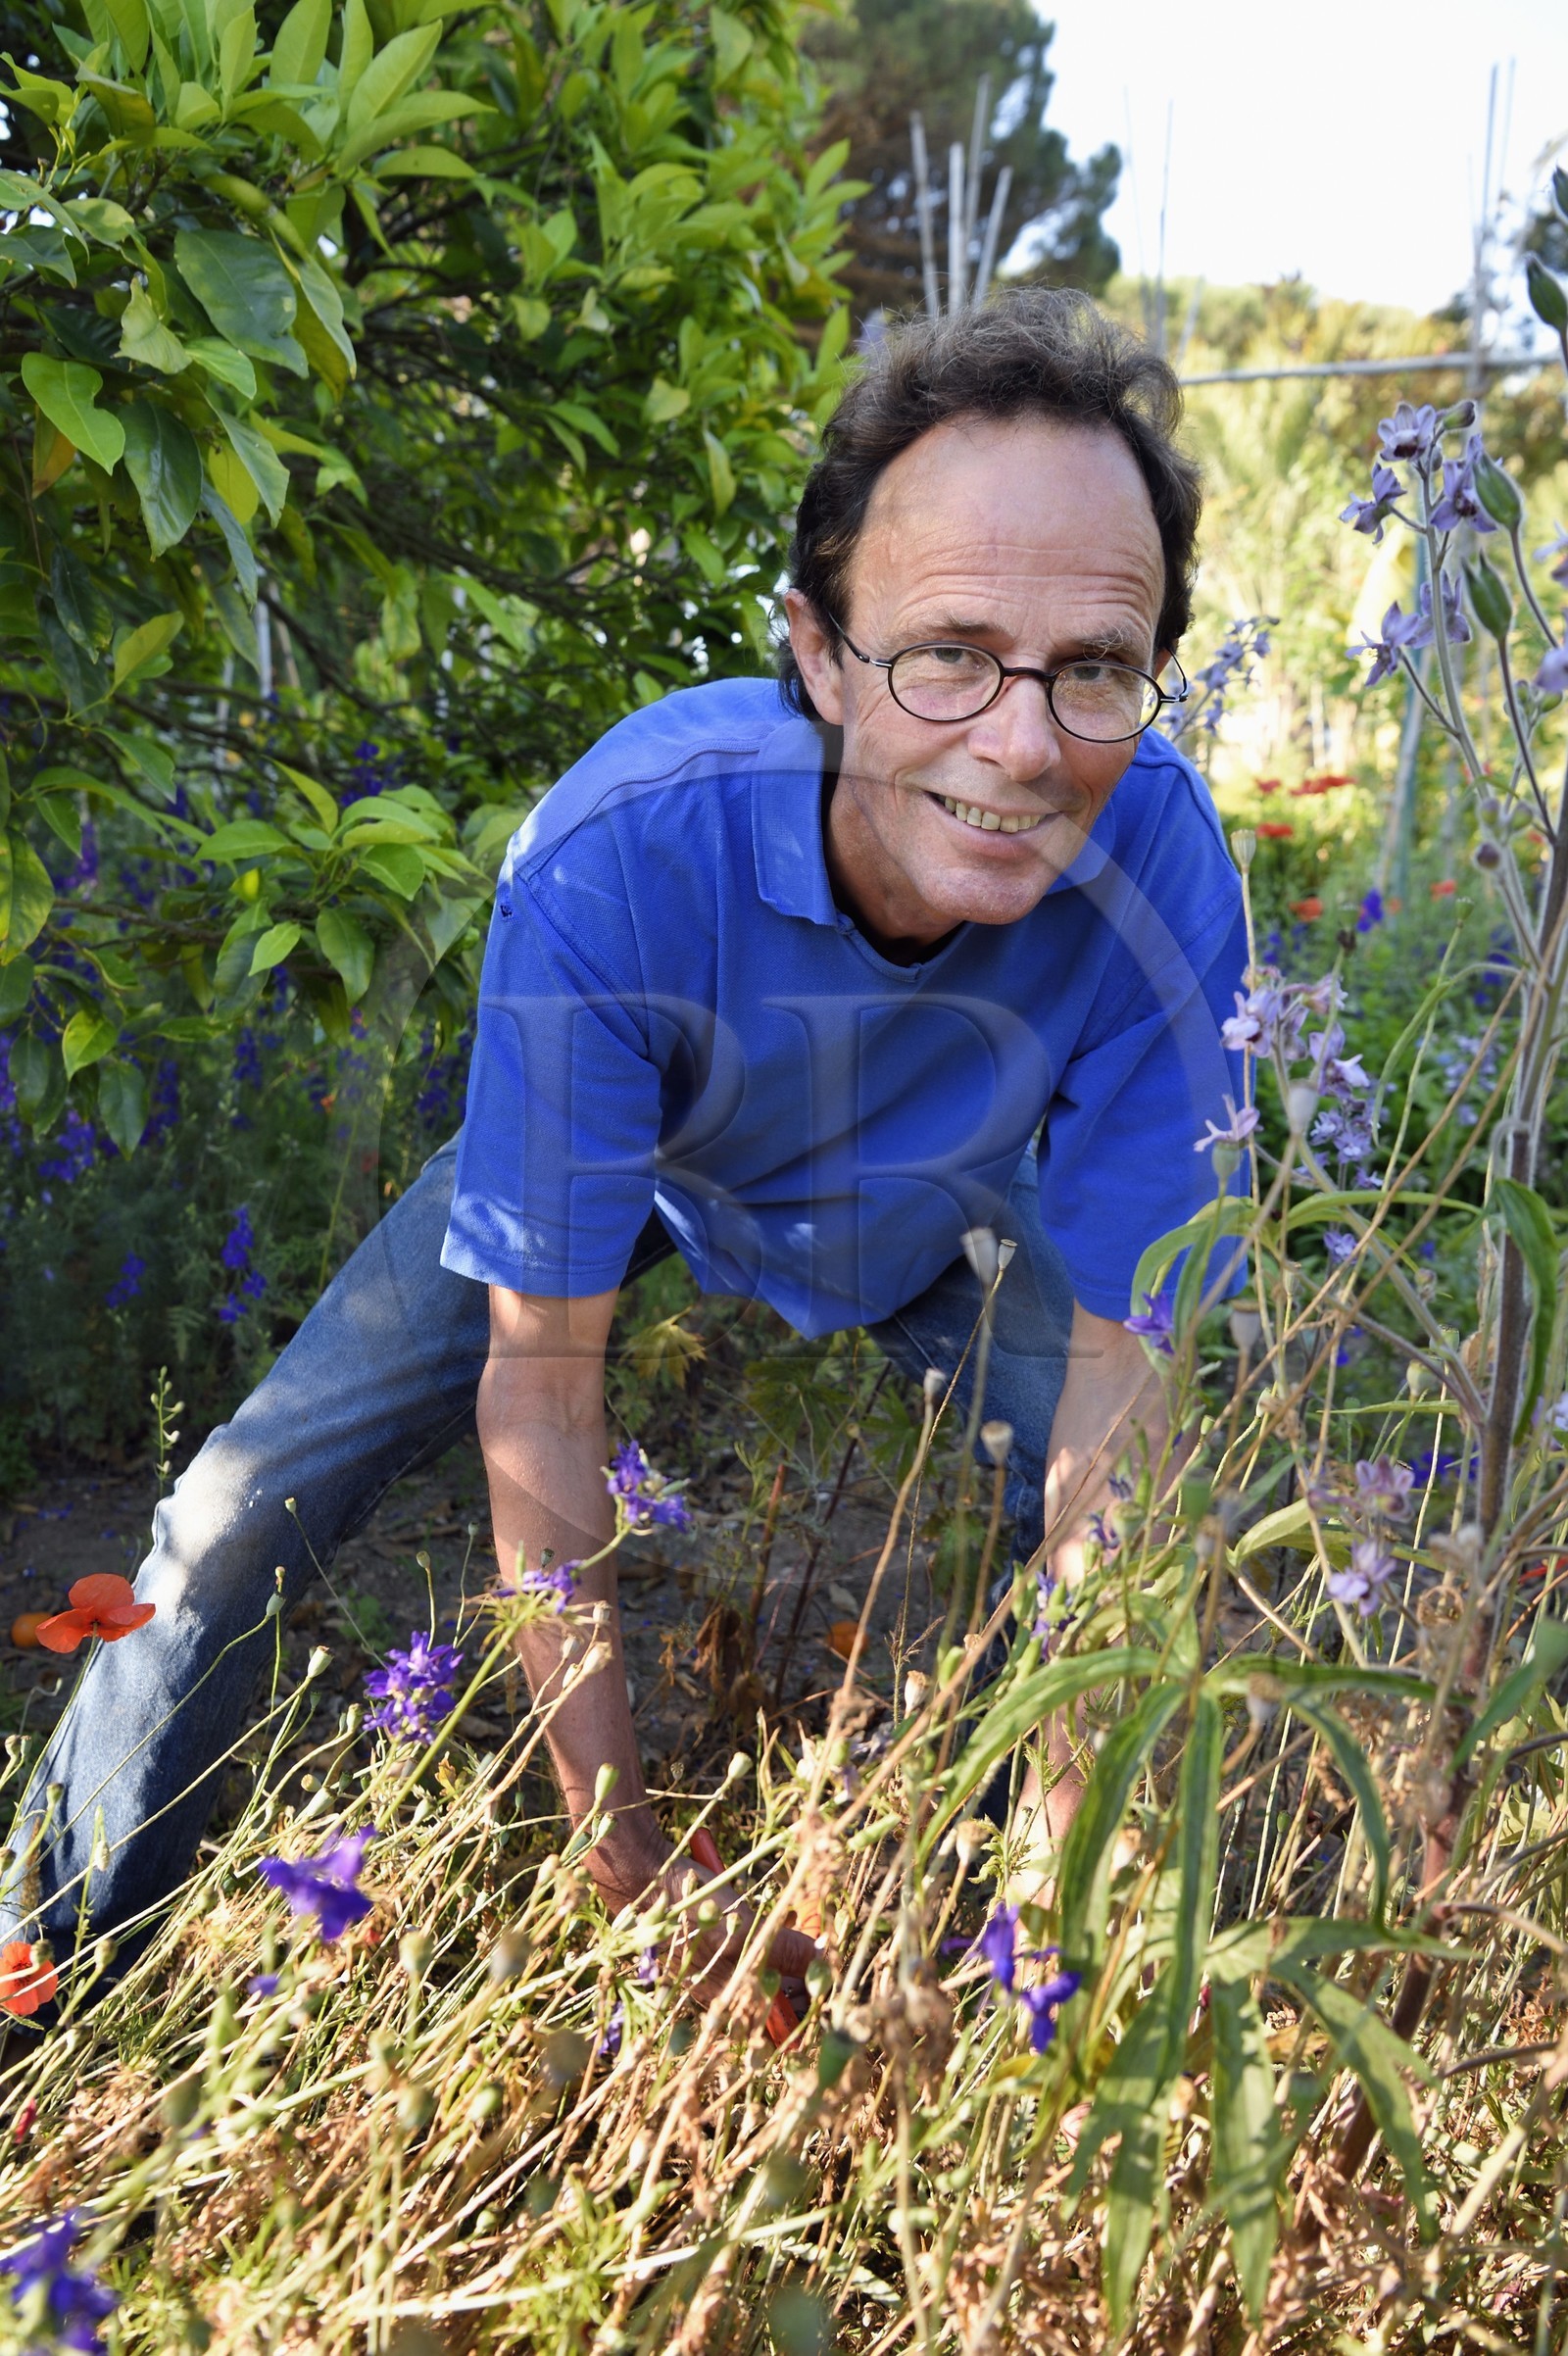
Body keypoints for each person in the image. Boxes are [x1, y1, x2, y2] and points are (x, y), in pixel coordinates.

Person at [1, 289, 1246, 1994]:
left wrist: (1057, 1876)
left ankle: (1027, 1921)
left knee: (1154, 1521)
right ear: (817, 650)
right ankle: (48, 1951)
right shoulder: (618, 853)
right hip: (653, 1162)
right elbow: (544, 1384)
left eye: (1096, 668)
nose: (1022, 744)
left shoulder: (1167, 871)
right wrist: (622, 1855)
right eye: (947, 651)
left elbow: (1128, 1379)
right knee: (226, 1518)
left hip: (946, 1201)